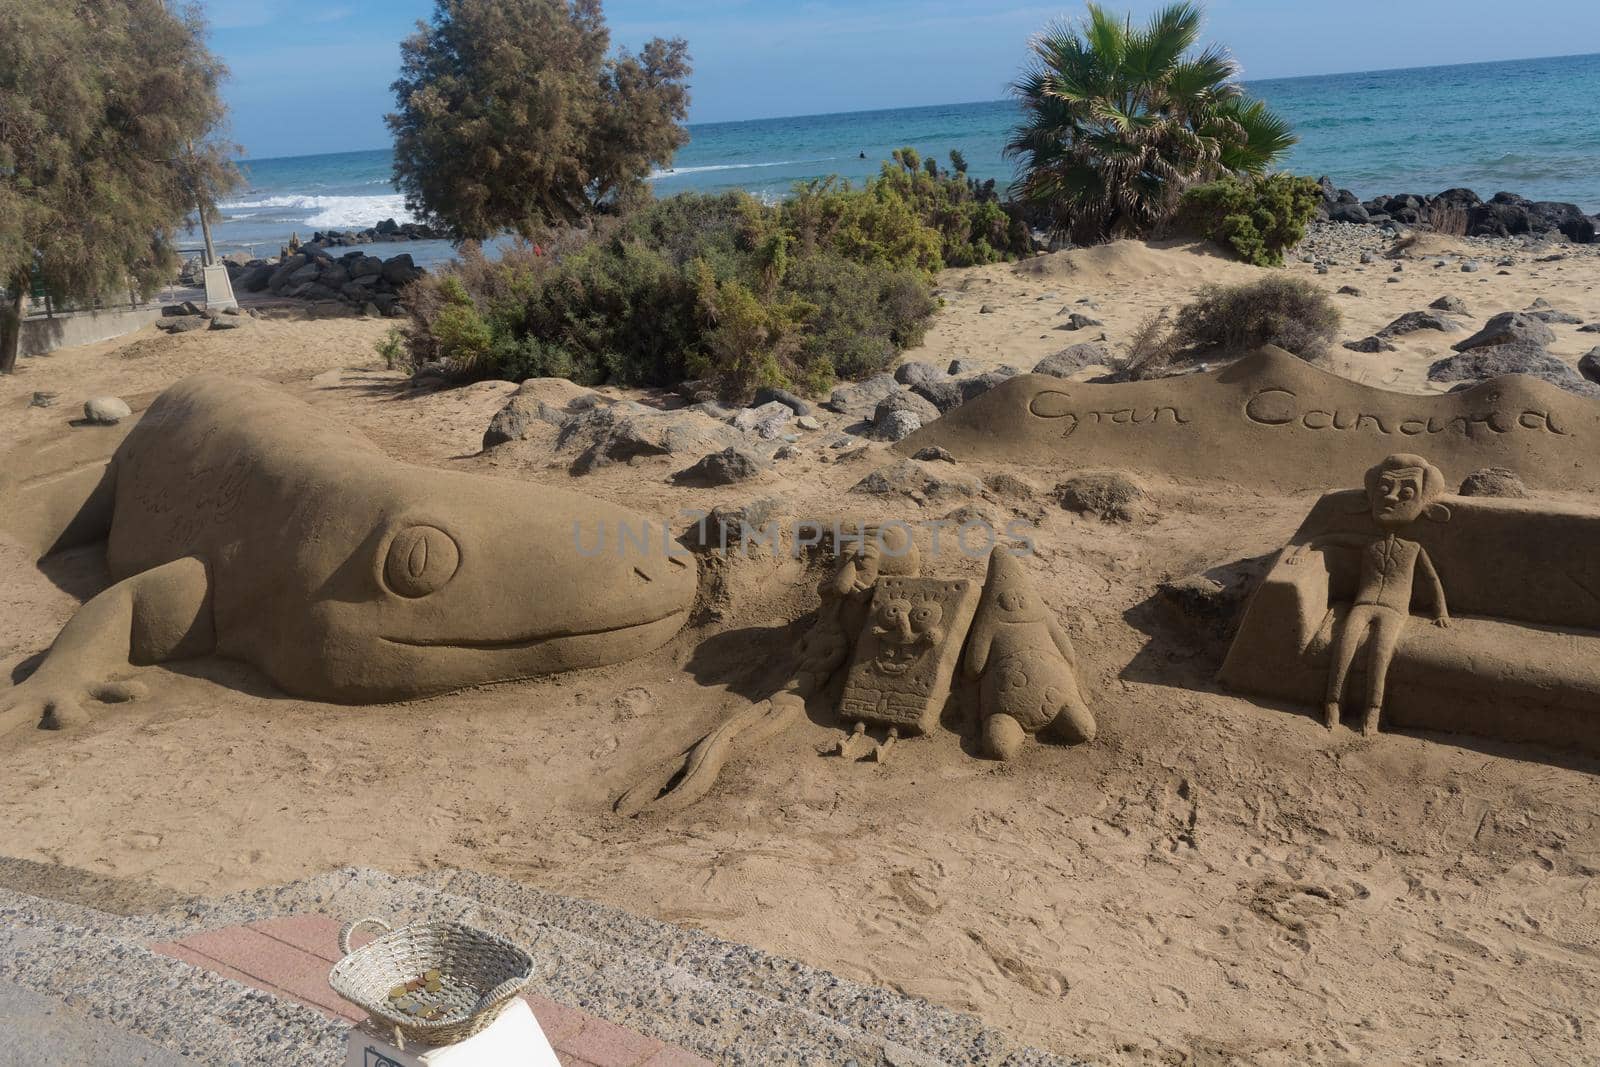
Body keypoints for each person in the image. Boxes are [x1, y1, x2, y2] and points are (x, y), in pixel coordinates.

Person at [1286, 454, 1450, 736]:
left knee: (1381, 654)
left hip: (1395, 609)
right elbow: (1329, 537)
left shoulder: (1414, 548)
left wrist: (1441, 611)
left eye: (1407, 492)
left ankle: (1372, 711)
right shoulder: (1369, 544)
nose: (1392, 498)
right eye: (1384, 490)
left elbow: (1433, 580)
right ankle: (1333, 702)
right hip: (1362, 604)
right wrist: (1303, 550)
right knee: (1344, 646)